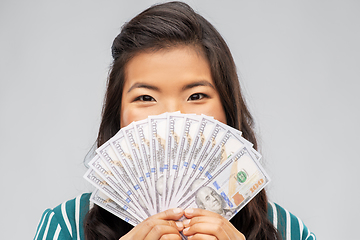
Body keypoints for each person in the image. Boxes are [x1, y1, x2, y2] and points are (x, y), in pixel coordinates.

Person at [34, 1, 316, 240]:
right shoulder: (66, 225)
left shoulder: (287, 230)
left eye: (195, 96)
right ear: (117, 116)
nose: (171, 117)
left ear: (228, 111)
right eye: (145, 98)